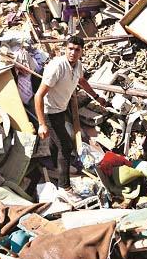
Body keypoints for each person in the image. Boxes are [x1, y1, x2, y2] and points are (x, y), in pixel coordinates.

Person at [34, 35, 106, 192]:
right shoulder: (57, 67)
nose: (73, 52)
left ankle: (52, 164)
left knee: (56, 141)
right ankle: (64, 186)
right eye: (70, 49)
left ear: (81, 52)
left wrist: (97, 97)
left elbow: (82, 81)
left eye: (77, 50)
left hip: (61, 108)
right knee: (66, 147)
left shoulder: (77, 65)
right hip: (49, 112)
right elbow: (38, 95)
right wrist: (42, 124)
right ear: (65, 49)